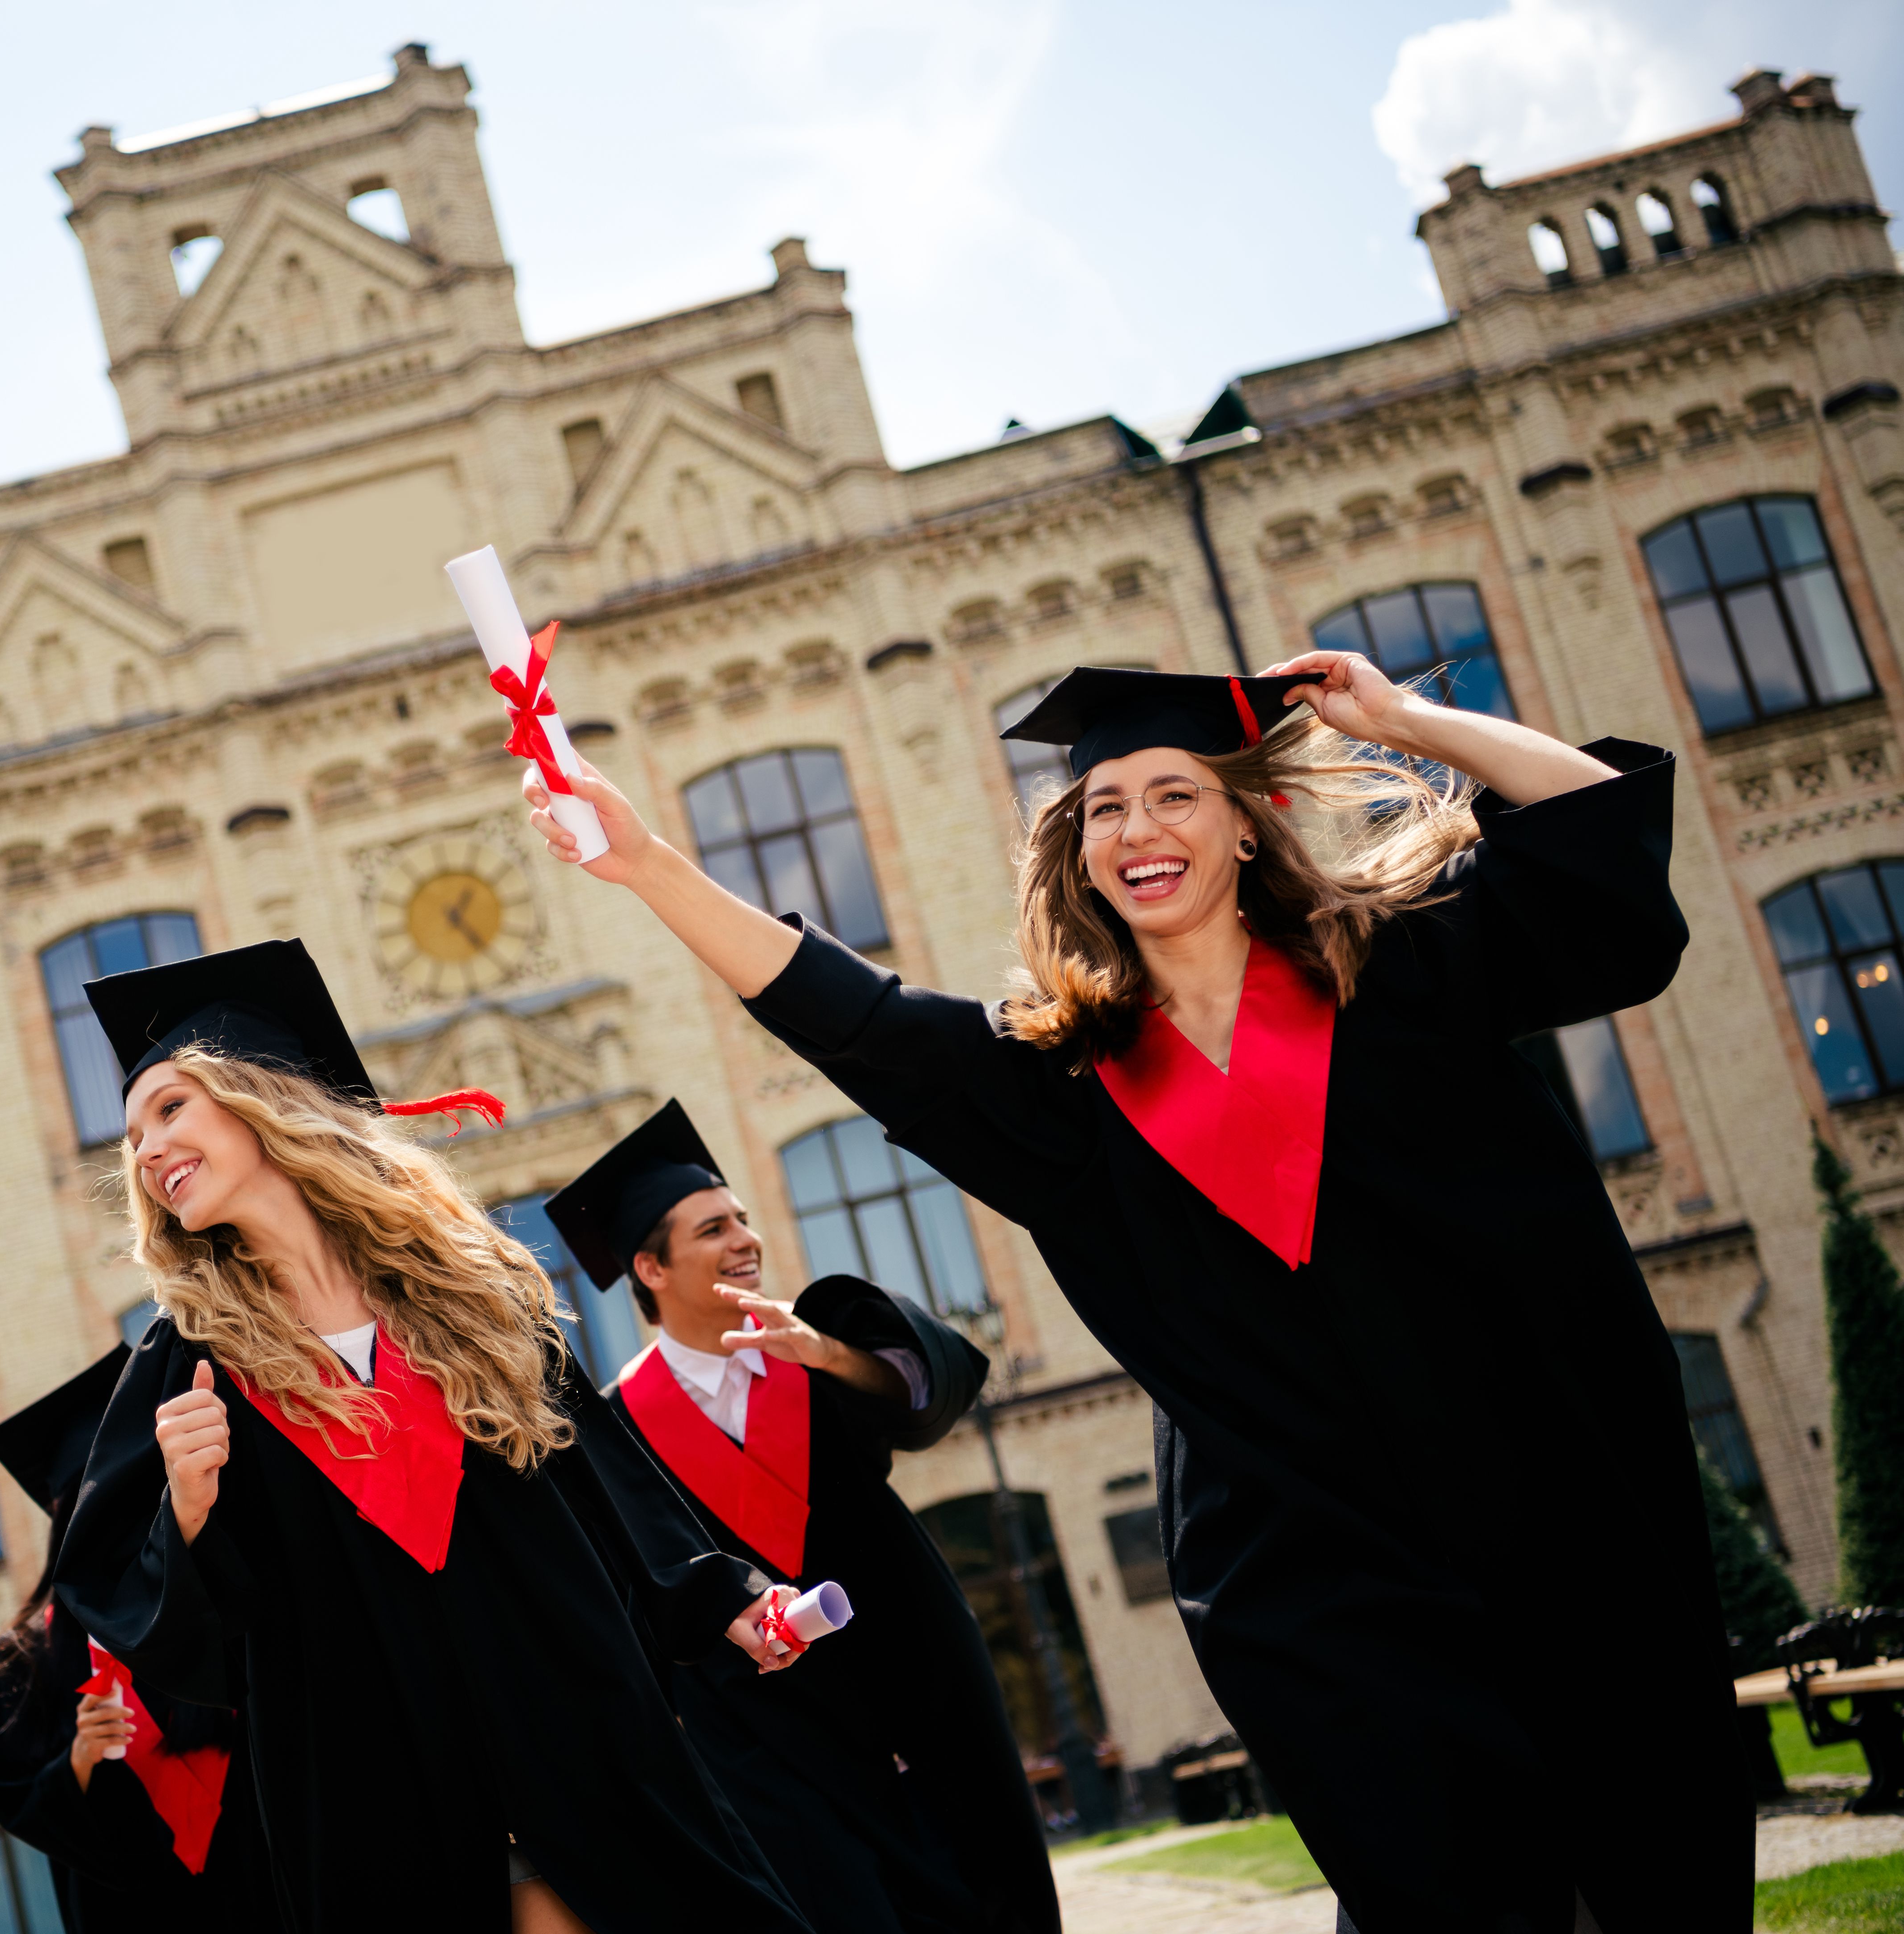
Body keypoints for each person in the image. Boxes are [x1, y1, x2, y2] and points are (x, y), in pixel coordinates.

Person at [522, 657, 1741, 1933]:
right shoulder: (1061, 1094)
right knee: (1445, 1891)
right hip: (1314, 1581)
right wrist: (650, 861)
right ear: (1079, 851)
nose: (1139, 829)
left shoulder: (1404, 971)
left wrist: (1404, 723)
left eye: (1174, 795)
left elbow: (1598, 846)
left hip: (1551, 1505)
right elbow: (855, 1017)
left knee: (1653, 1853)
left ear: (1244, 821)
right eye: (1106, 808)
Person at [51, 939, 816, 1934]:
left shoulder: (470, 1297)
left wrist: (726, 1598)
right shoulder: (189, 1361)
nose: (147, 1152)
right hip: (371, 1776)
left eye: (170, 1108)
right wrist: (185, 1513)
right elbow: (120, 1593)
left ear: (265, 1101)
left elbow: (601, 1483)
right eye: (133, 1135)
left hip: (570, 1717)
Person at [546, 1101, 1059, 1934]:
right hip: (770, 1740)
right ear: (651, 1270)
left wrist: (824, 1353)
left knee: (982, 1900)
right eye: (714, 1229)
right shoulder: (619, 1432)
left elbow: (929, 1397)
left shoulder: (821, 1358)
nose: (745, 1238)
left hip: (914, 1679)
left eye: (743, 1219)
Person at [0, 1342, 278, 1930]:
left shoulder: (224, 1606)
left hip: (263, 1888)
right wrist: (79, 1762)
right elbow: (17, 1800)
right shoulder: (20, 1667)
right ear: (69, 1523)